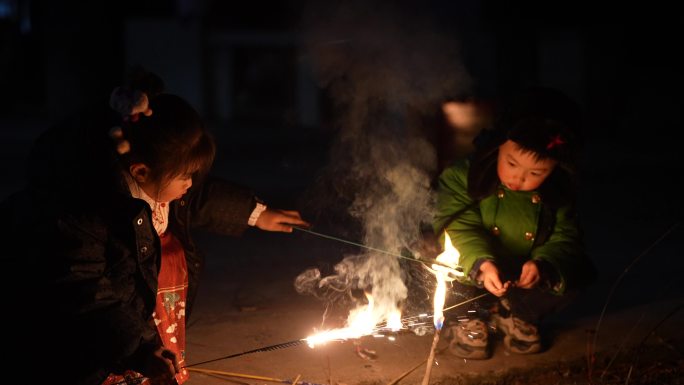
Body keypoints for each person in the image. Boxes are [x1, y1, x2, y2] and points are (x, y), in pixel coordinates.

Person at [0, 67, 309, 385]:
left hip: (136, 309)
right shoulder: (82, 210)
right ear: (142, 171)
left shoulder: (160, 180)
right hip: (84, 333)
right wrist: (139, 348)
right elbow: (86, 293)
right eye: (185, 176)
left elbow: (198, 196)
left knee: (151, 358)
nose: (190, 184)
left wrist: (255, 213)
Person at [431, 86, 596, 359]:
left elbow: (566, 238)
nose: (519, 178)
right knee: (433, 254)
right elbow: (456, 226)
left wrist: (543, 265)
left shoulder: (557, 194)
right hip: (474, 268)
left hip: (520, 274)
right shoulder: (466, 175)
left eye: (536, 172)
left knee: (573, 270)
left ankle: (514, 314)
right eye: (511, 163)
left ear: (555, 169)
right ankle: (465, 317)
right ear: (498, 145)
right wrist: (481, 264)